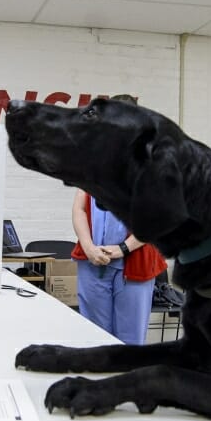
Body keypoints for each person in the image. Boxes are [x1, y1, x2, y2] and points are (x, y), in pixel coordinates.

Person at [70, 95, 168, 345]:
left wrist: (124, 248)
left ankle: (126, 384)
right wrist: (89, 246)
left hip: (133, 261)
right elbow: (80, 208)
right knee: (93, 337)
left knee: (129, 340)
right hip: (93, 260)